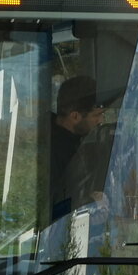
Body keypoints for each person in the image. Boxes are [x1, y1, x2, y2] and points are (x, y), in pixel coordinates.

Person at [49, 75, 104, 219]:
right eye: (96, 115)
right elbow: (57, 205)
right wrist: (92, 202)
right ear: (75, 116)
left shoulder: (73, 140)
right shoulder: (53, 151)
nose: (101, 120)